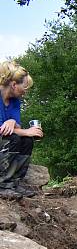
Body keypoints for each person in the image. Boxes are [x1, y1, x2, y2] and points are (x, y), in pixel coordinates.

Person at [0, 60, 42, 199]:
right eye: (24, 87)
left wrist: (12, 121)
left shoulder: (15, 101)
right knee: (14, 139)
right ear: (13, 85)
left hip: (6, 136)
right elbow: (3, 131)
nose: (26, 91)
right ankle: (3, 185)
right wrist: (26, 131)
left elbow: (15, 126)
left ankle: (14, 182)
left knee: (26, 140)